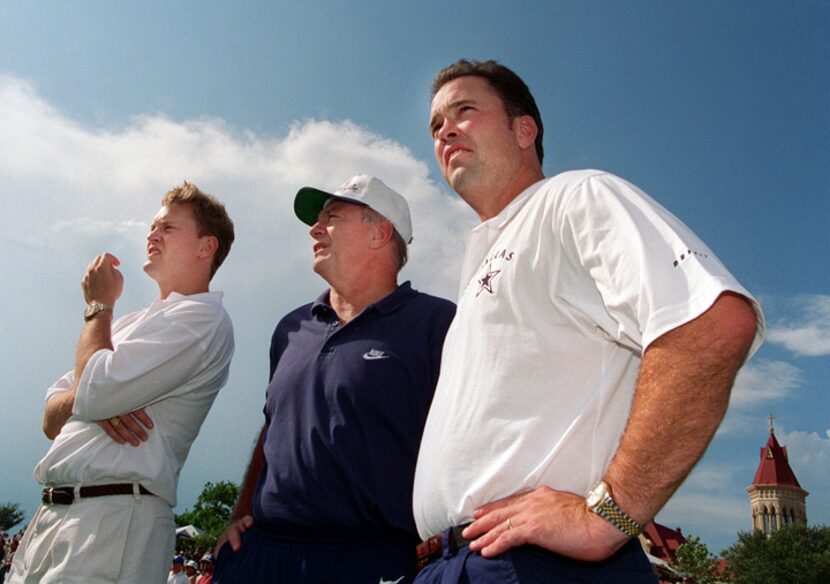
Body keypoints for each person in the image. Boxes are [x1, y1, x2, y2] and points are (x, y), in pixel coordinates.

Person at [412, 59, 765, 582]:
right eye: (437, 125)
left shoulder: (575, 197)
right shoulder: (482, 260)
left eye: (465, 111)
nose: (446, 130)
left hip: (537, 566)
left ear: (524, 129)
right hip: (451, 564)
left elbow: (712, 324)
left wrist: (608, 517)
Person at [213, 175, 455, 583]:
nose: (314, 228)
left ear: (380, 233)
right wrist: (240, 515)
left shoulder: (438, 324)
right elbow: (275, 425)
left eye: (333, 217)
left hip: (371, 559)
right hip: (262, 555)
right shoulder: (290, 328)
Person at [8, 182, 235, 584]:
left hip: (112, 520)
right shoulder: (131, 324)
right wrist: (97, 398)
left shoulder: (202, 319)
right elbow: (51, 417)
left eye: (167, 227)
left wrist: (99, 306)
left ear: (206, 247)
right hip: (52, 516)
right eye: (152, 226)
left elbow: (94, 391)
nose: (151, 235)